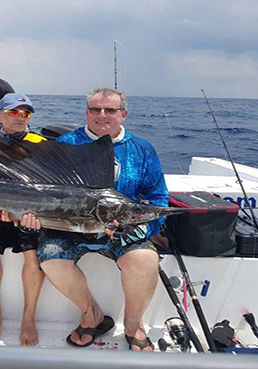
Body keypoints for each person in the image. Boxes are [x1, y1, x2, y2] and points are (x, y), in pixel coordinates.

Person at [34, 87, 168, 351]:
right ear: (87, 113)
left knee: (145, 259)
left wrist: (143, 228)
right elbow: (42, 192)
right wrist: (30, 217)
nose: (102, 115)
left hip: (123, 229)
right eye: (95, 110)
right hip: (69, 228)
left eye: (110, 110)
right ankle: (91, 314)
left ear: (124, 114)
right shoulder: (65, 145)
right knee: (51, 258)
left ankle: (133, 324)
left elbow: (158, 198)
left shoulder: (141, 149)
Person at [0, 93, 47, 346]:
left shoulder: (40, 142)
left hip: (28, 212)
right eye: (14, 112)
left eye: (25, 113)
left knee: (32, 255)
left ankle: (29, 317)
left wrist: (24, 213)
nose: (20, 117)